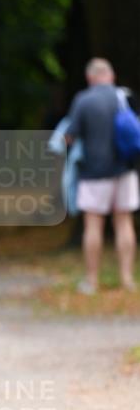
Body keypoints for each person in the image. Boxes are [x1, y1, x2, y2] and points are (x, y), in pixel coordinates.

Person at [66, 57, 139, 294]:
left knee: (93, 226)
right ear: (112, 75)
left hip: (94, 172)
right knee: (124, 222)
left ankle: (92, 281)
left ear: (90, 78)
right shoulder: (125, 97)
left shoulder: (84, 100)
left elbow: (70, 136)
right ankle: (127, 279)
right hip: (125, 169)